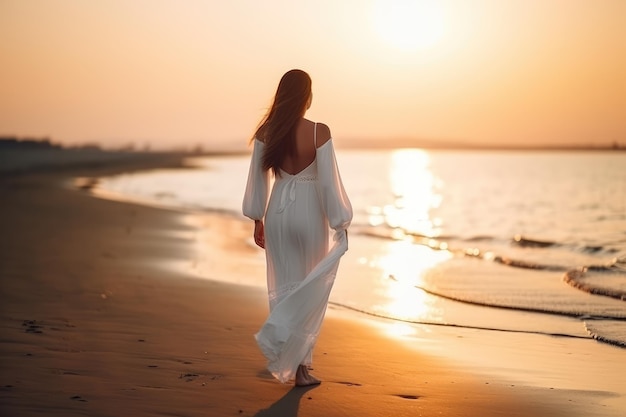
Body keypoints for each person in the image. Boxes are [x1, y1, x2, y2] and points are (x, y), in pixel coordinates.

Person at [242, 69, 353, 386]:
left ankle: (293, 362)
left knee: (286, 285)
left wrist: (257, 218)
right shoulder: (319, 131)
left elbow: (256, 181)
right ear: (306, 96)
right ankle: (301, 369)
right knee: (309, 288)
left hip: (277, 214)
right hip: (309, 215)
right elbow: (330, 185)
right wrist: (340, 220)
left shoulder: (267, 132)